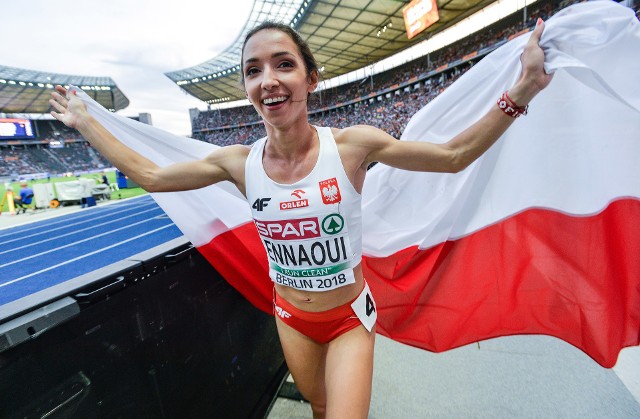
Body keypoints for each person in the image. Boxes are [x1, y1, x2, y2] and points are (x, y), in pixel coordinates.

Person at [49, 18, 552, 418]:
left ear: (310, 79)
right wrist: (88, 123)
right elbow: (154, 177)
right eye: (253, 70)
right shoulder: (237, 163)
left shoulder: (354, 145)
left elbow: (453, 156)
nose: (268, 80)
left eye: (283, 64)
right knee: (319, 407)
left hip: (349, 318)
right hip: (291, 317)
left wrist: (522, 92)